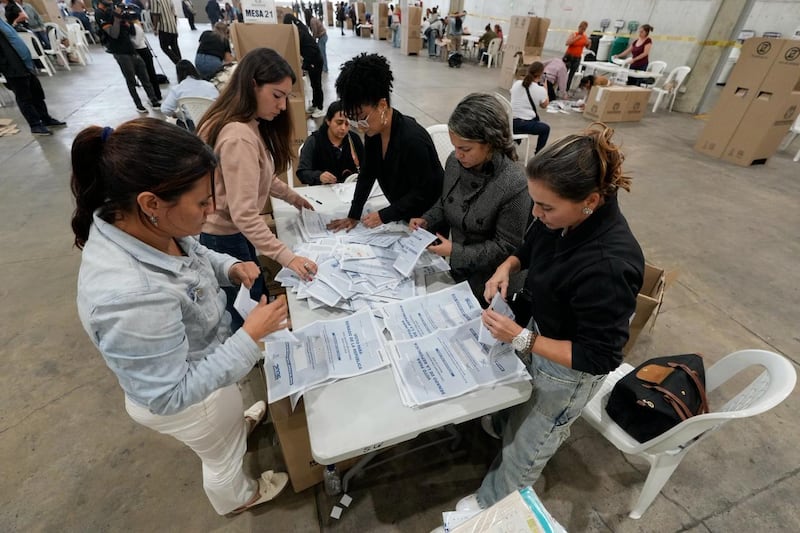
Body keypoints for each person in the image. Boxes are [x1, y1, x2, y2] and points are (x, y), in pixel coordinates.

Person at [71, 118, 291, 516]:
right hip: (188, 400)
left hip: (204, 364)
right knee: (222, 458)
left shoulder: (142, 223)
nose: (213, 210)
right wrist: (249, 338)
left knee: (226, 424)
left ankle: (233, 428)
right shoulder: (127, 295)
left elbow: (194, 252)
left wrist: (230, 268)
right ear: (151, 203)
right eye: (203, 203)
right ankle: (240, 497)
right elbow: (170, 394)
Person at [455, 123, 644, 513]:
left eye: (546, 207)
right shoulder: (561, 218)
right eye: (534, 203)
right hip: (542, 332)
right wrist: (507, 265)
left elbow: (601, 357)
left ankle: (492, 508)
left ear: (590, 200)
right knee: (515, 412)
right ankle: (503, 436)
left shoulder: (609, 264)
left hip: (569, 371)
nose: (537, 214)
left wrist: (520, 337)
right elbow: (531, 242)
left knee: (529, 446)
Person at [196, 48, 317, 330]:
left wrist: (293, 197)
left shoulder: (243, 122)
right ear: (253, 84)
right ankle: (252, 355)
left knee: (251, 297)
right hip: (225, 237)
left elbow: (259, 177)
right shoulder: (239, 136)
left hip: (227, 233)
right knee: (249, 308)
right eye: (277, 95)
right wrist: (289, 258)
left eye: (286, 97)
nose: (283, 106)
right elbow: (245, 215)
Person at [409, 93, 529, 301]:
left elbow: (506, 248)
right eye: (455, 147)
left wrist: (454, 251)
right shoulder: (455, 163)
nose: (457, 154)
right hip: (459, 274)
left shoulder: (514, 183)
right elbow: (446, 201)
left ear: (490, 143)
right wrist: (427, 219)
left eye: (465, 149)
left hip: (494, 286)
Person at [327, 53, 443, 232]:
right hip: (402, 216)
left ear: (382, 105)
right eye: (354, 119)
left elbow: (425, 192)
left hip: (426, 220)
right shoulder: (374, 131)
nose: (359, 126)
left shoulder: (413, 139)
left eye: (361, 117)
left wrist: (384, 215)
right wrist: (354, 214)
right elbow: (367, 173)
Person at [0, 17, 66, 135]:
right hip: (13, 68)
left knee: (36, 93)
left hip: (25, 64)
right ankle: (35, 125)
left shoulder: (2, 21)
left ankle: (45, 119)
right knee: (24, 98)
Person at [297, 100, 364, 185]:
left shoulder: (354, 140)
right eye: (339, 123)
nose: (343, 128)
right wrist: (319, 176)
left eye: (347, 124)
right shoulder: (313, 141)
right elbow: (302, 172)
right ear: (328, 121)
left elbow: (366, 166)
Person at [282, 13, 325, 118]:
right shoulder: (299, 28)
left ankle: (320, 108)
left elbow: (311, 51)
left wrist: (304, 65)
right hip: (312, 61)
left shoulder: (300, 33)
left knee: (317, 84)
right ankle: (315, 104)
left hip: (315, 61)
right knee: (314, 85)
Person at [160, 59, 219, 128]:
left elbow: (165, 109)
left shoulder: (177, 90)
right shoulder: (209, 85)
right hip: (213, 122)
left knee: (179, 122)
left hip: (193, 125)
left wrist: (177, 115)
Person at [510, 62, 550, 155]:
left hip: (510, 120)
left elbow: (512, 93)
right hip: (523, 124)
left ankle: (514, 144)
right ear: (540, 75)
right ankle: (538, 154)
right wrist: (546, 89)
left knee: (526, 119)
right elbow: (544, 105)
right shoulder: (540, 90)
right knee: (545, 129)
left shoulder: (517, 83)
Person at [129, 15, 163, 103]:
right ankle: (157, 94)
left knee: (148, 74)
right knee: (151, 74)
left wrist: (129, 41)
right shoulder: (137, 25)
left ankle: (155, 95)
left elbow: (136, 42)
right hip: (144, 50)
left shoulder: (135, 27)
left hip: (142, 51)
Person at [150, 0, 181, 64]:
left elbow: (156, 14)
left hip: (164, 27)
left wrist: (155, 28)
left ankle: (178, 63)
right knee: (175, 47)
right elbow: (174, 13)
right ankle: (182, 65)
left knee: (164, 47)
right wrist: (175, 26)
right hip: (173, 27)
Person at [563, 20, 590, 92]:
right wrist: (576, 38)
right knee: (564, 73)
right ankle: (560, 88)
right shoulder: (574, 34)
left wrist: (589, 43)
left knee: (571, 75)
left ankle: (566, 90)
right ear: (579, 27)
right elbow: (567, 43)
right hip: (569, 56)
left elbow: (587, 47)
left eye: (584, 29)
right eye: (581, 28)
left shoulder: (585, 37)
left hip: (577, 57)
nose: (582, 30)